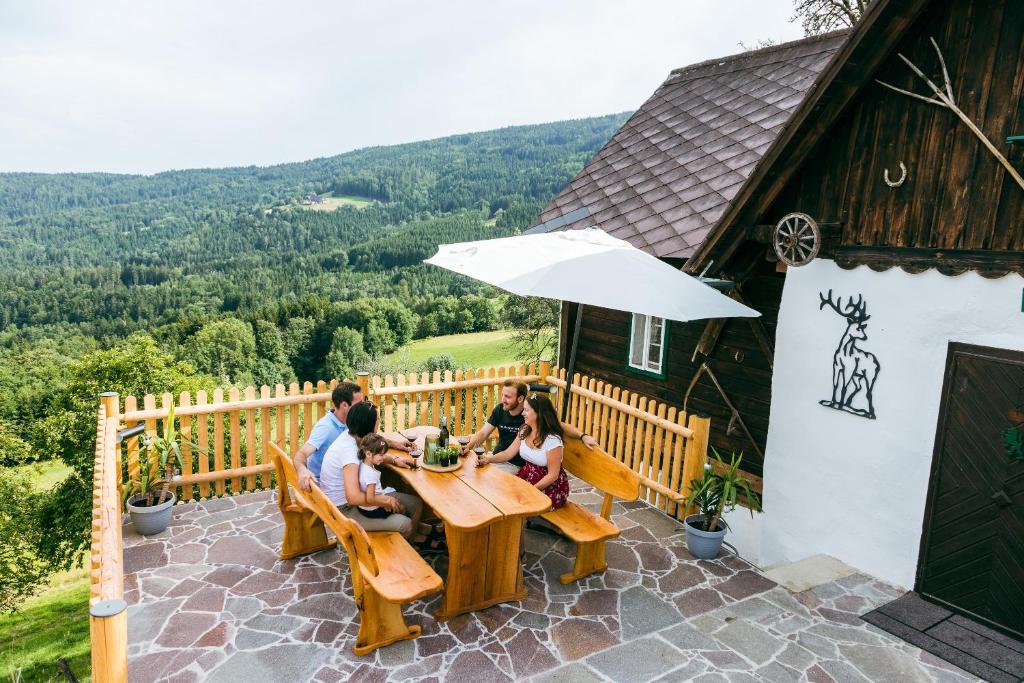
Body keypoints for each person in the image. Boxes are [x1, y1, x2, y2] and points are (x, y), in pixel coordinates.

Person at [318, 400, 424, 538]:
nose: (378, 425)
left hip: (362, 500)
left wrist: (394, 460)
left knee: (416, 504)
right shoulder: (348, 452)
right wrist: (386, 500)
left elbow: (369, 454)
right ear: (369, 428)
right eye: (377, 422)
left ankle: (420, 535)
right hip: (344, 510)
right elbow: (353, 498)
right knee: (406, 524)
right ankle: (399, 552)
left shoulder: (353, 435)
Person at [294, 381, 412, 492]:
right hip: (326, 485)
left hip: (344, 474)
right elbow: (301, 454)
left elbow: (365, 437)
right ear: (344, 405)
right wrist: (302, 471)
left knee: (383, 470)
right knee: (382, 471)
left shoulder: (350, 422)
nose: (362, 406)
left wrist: (395, 444)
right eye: (359, 403)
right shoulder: (325, 427)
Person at [460, 380, 597, 472]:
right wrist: (469, 445)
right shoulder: (500, 410)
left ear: (520, 399)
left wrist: (582, 436)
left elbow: (560, 426)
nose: (502, 400)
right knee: (472, 473)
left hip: (517, 465)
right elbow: (483, 433)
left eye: (507, 397)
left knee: (484, 480)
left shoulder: (531, 416)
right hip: (498, 457)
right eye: (502, 395)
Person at [478, 393, 568, 509]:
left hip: (548, 488)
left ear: (538, 413)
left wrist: (530, 490)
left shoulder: (553, 440)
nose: (522, 413)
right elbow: (508, 453)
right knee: (495, 492)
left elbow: (553, 475)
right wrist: (489, 459)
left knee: (511, 505)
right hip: (526, 478)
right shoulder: (525, 430)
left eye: (526, 410)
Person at [355, 434, 395, 519]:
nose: (384, 457)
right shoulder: (370, 474)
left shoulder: (363, 464)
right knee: (401, 507)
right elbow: (371, 499)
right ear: (368, 454)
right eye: (381, 455)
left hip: (363, 508)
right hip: (373, 510)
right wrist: (385, 504)